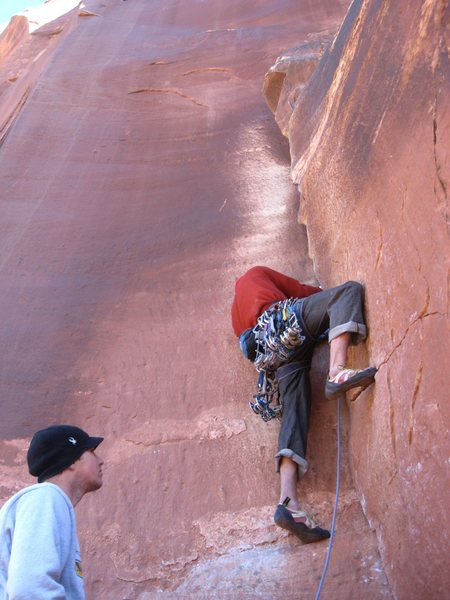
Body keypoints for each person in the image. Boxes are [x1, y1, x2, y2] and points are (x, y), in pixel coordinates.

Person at [232, 266, 376, 543]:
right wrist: (321, 296)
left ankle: (288, 503)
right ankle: (337, 370)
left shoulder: (236, 311)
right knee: (348, 292)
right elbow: (302, 293)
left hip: (271, 355)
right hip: (282, 324)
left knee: (293, 415)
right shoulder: (257, 273)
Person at [0, 424, 104, 598]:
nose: (101, 460)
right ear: (71, 461)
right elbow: (30, 589)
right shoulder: (46, 497)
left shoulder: (48, 501)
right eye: (92, 451)